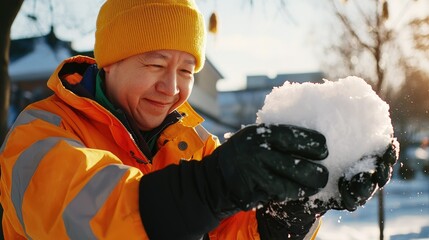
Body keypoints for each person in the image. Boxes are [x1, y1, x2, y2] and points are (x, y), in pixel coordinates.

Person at [0, 0, 398, 239]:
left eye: (187, 71)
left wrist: (291, 214)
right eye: (155, 63)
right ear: (109, 63)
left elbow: (230, 234)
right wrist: (210, 187)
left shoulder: (193, 144)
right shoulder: (39, 134)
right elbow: (92, 215)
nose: (171, 87)